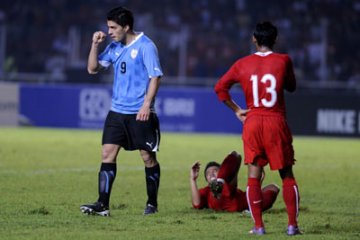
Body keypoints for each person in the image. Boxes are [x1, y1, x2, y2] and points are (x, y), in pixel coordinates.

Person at [214, 21, 301, 235]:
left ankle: (259, 227)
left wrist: (236, 109)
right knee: (287, 174)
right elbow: (291, 86)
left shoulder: (242, 63)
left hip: (252, 120)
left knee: (253, 175)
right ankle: (292, 226)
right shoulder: (283, 60)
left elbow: (220, 88)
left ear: (254, 39)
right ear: (275, 39)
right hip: (275, 120)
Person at [80, 6, 163, 216]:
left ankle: (152, 204)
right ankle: (102, 204)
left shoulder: (146, 46)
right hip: (116, 112)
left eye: (113, 27)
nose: (109, 32)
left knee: (147, 158)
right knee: (107, 154)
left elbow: (156, 77)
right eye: (108, 27)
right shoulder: (114, 46)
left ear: (126, 27)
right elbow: (92, 69)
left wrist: (146, 105)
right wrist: (94, 46)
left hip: (140, 113)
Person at [190, 151, 279, 213]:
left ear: (221, 171)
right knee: (236, 155)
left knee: (274, 188)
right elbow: (197, 204)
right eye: (208, 173)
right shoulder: (207, 191)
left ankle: (251, 209)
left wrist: (257, 184)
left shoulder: (229, 185)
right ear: (207, 180)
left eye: (215, 170)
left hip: (238, 200)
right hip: (226, 197)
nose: (211, 174)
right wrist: (192, 179)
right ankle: (219, 183)